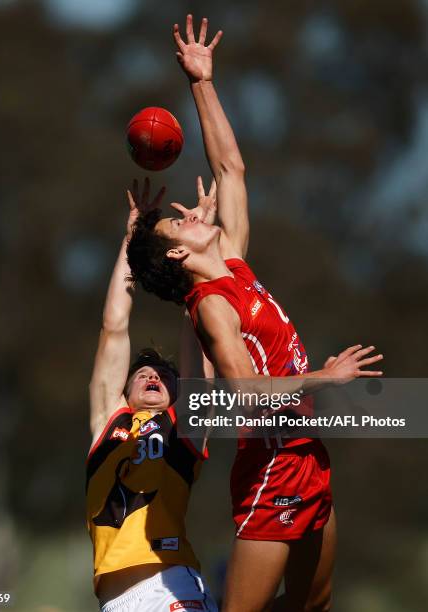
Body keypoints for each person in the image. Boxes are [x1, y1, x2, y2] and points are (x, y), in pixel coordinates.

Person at [126, 15, 384, 612]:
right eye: (180, 220)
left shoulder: (233, 267)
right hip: (272, 467)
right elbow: (242, 396)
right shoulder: (213, 304)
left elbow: (232, 169)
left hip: (308, 454)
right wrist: (327, 377)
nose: (193, 211)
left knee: (314, 607)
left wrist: (201, 83)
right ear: (176, 252)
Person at [87, 178, 218, 612]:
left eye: (163, 376)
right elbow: (114, 326)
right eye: (142, 372)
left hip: (170, 588)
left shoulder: (185, 427)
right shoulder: (111, 421)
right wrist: (133, 240)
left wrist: (196, 252)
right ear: (122, 390)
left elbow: (200, 333)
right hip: (113, 601)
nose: (153, 376)